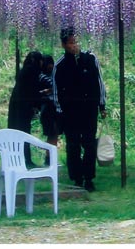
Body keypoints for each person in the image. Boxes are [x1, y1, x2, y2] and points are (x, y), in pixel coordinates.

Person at [53, 26, 106, 191]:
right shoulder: (60, 65)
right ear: (64, 45)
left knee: (90, 144)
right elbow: (56, 91)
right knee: (73, 145)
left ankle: (89, 178)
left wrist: (102, 106)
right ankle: (76, 177)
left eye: (76, 41)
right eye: (70, 43)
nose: (74, 45)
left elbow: (100, 84)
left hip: (89, 110)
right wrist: (60, 111)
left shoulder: (90, 59)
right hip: (70, 113)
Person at [8, 50, 44, 166]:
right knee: (24, 134)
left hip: (17, 106)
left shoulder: (24, 71)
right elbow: (33, 92)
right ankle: (25, 159)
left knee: (17, 133)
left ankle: (16, 159)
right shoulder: (32, 72)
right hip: (23, 108)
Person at [38, 54, 61, 152]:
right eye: (49, 64)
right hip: (47, 108)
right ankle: (49, 157)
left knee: (54, 133)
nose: (51, 66)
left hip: (54, 107)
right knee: (52, 133)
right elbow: (55, 84)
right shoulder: (41, 76)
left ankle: (50, 157)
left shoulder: (54, 74)